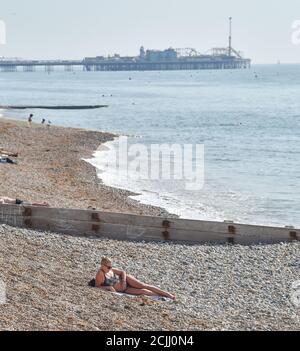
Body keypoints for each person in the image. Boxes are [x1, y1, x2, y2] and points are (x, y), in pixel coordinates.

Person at [91, 257, 176, 300]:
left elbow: (122, 272)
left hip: (125, 281)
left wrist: (124, 281)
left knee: (144, 285)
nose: (110, 268)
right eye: (108, 267)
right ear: (102, 266)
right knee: (143, 292)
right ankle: (162, 296)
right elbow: (97, 286)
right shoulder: (100, 274)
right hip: (124, 290)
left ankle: (168, 294)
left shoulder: (110, 269)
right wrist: (108, 287)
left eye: (111, 266)